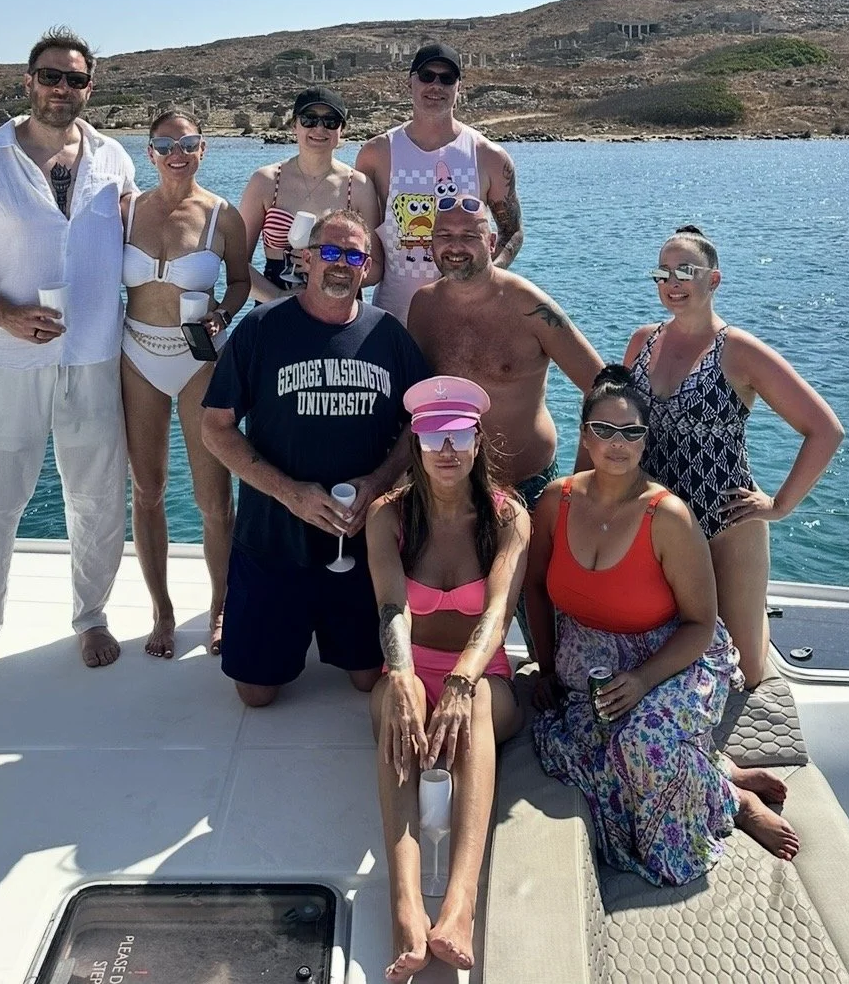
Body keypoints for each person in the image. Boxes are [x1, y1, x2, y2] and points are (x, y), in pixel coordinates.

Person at [0, 27, 136, 683]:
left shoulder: (114, 160)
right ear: (28, 80)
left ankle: (91, 615)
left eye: (73, 79)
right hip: (4, 361)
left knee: (97, 498)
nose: (60, 89)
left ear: (89, 87)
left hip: (94, 356)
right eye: (49, 76)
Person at [527, 366, 799, 886]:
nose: (617, 443)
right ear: (584, 433)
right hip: (590, 663)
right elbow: (536, 588)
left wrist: (644, 680)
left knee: (641, 740)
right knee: (592, 752)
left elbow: (701, 624)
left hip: (674, 656)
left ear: (646, 439)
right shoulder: (555, 503)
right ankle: (720, 772)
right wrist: (543, 667)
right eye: (604, 429)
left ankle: (734, 803)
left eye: (631, 432)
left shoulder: (667, 516)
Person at [201, 211, 430, 707]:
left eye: (353, 256)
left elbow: (421, 419)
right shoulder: (261, 329)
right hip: (273, 535)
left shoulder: (388, 335)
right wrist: (288, 492)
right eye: (329, 252)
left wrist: (380, 481)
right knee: (256, 695)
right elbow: (215, 428)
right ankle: (283, 630)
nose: (341, 264)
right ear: (305, 258)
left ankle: (327, 630)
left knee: (370, 678)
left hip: (360, 535)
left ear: (367, 268)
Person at [623, 225, 844, 687]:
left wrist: (779, 506)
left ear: (714, 280)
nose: (673, 282)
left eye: (686, 270)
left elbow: (824, 430)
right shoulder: (642, 341)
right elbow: (613, 421)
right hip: (655, 517)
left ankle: (756, 621)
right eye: (662, 273)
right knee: (659, 645)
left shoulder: (738, 350)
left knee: (745, 670)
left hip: (726, 519)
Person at [368, 376, 529, 981]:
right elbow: (391, 607)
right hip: (409, 665)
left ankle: (459, 903)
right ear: (416, 440)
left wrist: (461, 682)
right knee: (391, 707)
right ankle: (406, 905)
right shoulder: (388, 516)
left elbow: (497, 613)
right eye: (433, 435)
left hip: (480, 671)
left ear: (478, 437)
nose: (447, 448)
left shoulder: (509, 516)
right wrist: (404, 676)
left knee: (481, 702)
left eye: (459, 434)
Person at [121, 108, 250, 660]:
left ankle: (220, 608)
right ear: (149, 151)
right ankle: (163, 611)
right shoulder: (124, 210)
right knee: (147, 492)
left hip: (202, 361)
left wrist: (222, 312)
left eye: (189, 142)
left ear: (204, 149)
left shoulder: (224, 216)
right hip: (136, 355)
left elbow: (242, 281)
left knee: (213, 500)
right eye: (166, 143)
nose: (178, 152)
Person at [407, 195, 604, 506]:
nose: (455, 247)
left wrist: (582, 479)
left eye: (469, 236)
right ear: (431, 243)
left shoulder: (530, 306)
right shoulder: (423, 306)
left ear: (492, 242)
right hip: (449, 489)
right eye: (444, 236)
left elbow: (601, 387)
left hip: (527, 485)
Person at [356, 42, 524, 325]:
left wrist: (483, 278)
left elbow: (513, 231)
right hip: (391, 321)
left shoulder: (489, 157)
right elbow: (359, 236)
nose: (436, 85)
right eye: (427, 76)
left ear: (459, 88)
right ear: (410, 82)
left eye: (447, 78)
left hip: (465, 320)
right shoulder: (376, 154)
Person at [238, 88, 381, 303]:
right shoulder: (265, 181)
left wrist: (328, 268)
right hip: (275, 309)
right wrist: (277, 297)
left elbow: (376, 267)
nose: (319, 128)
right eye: (309, 119)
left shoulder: (359, 186)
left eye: (330, 121)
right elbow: (237, 262)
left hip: (339, 309)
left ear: (341, 129)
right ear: (294, 124)